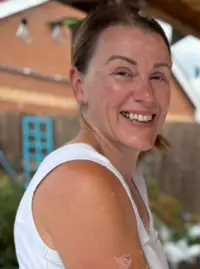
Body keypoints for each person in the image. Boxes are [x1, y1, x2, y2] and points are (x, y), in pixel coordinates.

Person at [14, 3, 172, 269]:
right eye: (123, 72)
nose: (146, 94)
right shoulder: (82, 183)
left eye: (158, 76)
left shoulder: (126, 177)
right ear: (79, 85)